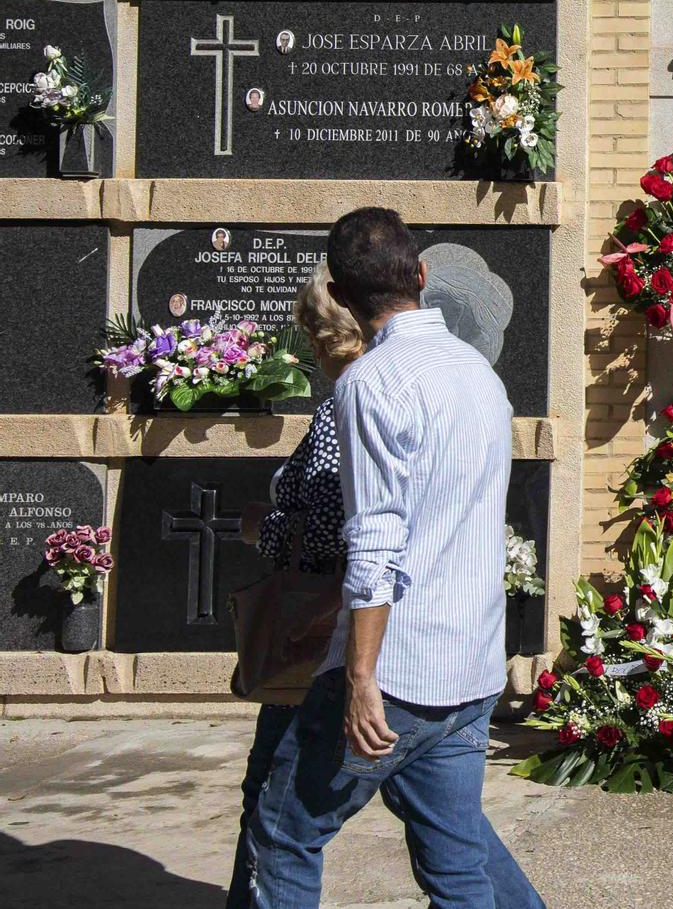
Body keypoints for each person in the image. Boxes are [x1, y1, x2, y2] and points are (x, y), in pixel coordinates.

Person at [242, 208, 542, 909]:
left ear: (342, 297)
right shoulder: (479, 374)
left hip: (400, 672)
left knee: (284, 832)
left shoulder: (369, 383)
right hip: (469, 668)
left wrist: (361, 676)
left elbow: (375, 543)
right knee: (457, 867)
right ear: (423, 275)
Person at [225, 265, 365, 908]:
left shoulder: (344, 403)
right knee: (441, 816)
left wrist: (266, 527)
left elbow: (333, 520)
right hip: (349, 622)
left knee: (272, 799)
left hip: (316, 625)